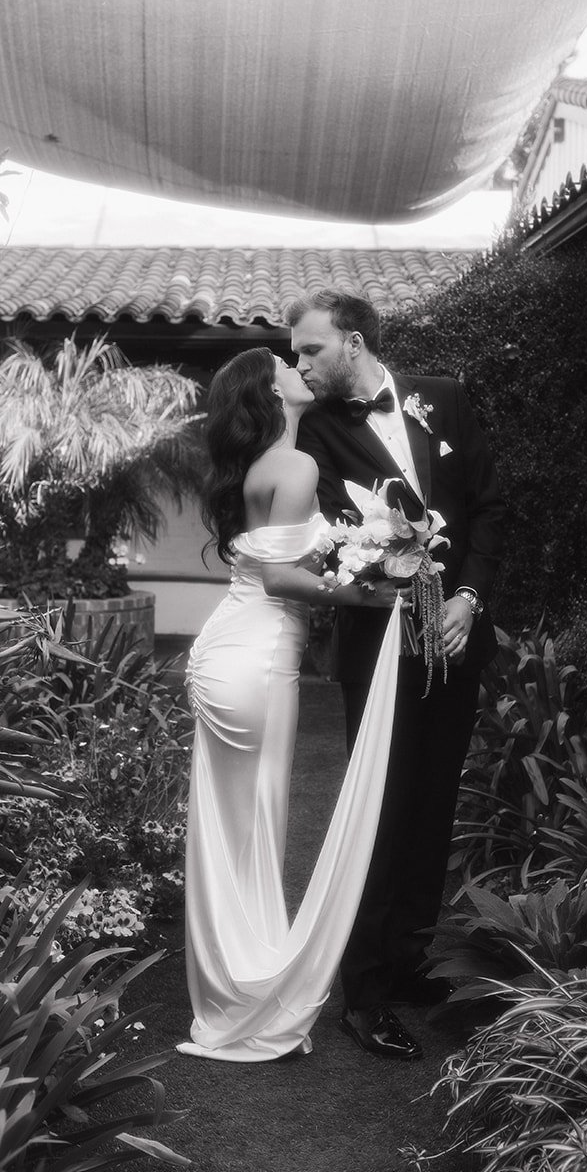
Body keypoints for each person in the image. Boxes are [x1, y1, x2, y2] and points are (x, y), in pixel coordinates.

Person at [289, 289, 507, 1060]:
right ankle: (364, 992)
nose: (299, 364)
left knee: (432, 803)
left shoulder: (443, 398)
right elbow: (326, 536)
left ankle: (409, 960)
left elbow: (489, 506)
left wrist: (468, 599)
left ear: (352, 342)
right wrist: (384, 561)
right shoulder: (313, 430)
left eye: (310, 349)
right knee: (378, 811)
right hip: (379, 645)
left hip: (455, 639)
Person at [178, 347, 398, 1062]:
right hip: (258, 656)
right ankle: (250, 999)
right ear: (269, 393)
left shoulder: (265, 465)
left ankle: (239, 992)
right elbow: (279, 579)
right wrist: (369, 593)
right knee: (255, 825)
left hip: (230, 652)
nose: (299, 365)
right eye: (284, 363)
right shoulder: (295, 465)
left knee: (235, 829)